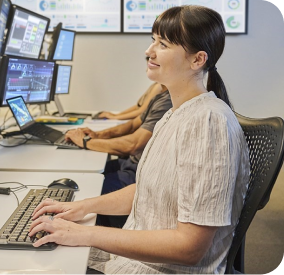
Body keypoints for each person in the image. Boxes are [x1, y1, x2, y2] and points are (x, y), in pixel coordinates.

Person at [29, 5, 250, 275]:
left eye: (164, 44)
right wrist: (81, 207)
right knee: (42, 250)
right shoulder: (176, 114)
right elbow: (148, 189)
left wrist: (85, 234)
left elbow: (190, 248)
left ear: (197, 60)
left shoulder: (208, 124)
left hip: (160, 269)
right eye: (153, 40)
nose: (149, 51)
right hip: (136, 259)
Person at [95, 57, 165, 120]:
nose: (146, 70)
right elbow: (138, 106)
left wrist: (114, 117)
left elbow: (141, 111)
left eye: (149, 67)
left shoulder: (158, 87)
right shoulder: (154, 85)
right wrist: (117, 114)